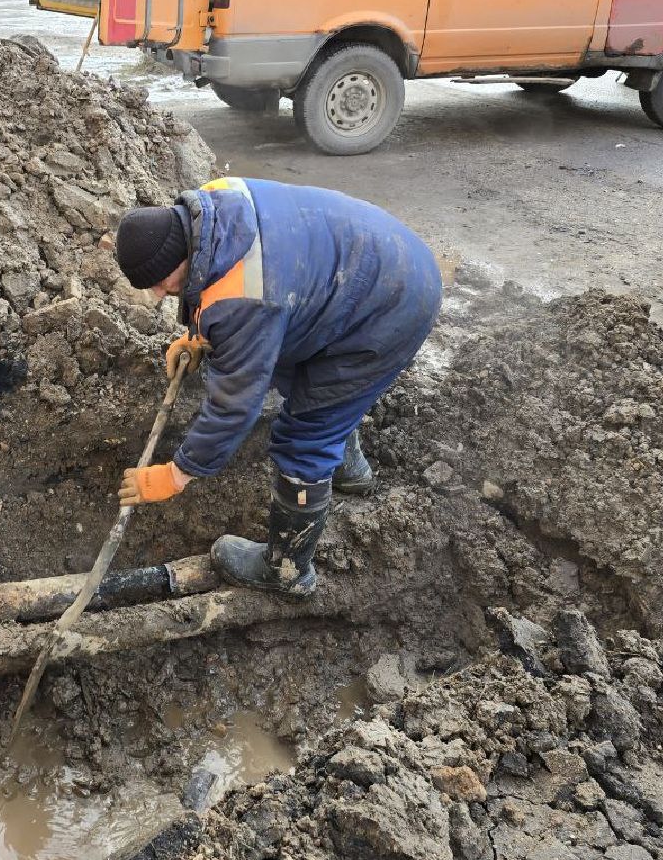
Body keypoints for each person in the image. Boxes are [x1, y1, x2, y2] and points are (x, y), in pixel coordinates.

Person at [114, 178, 442, 599]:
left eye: (160, 281)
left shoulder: (246, 299)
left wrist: (177, 474)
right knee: (294, 369)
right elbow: (220, 285)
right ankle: (349, 467)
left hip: (393, 301)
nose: (160, 293)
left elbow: (233, 407)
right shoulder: (212, 208)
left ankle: (287, 570)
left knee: (305, 436)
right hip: (370, 258)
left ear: (178, 253)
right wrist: (200, 335)